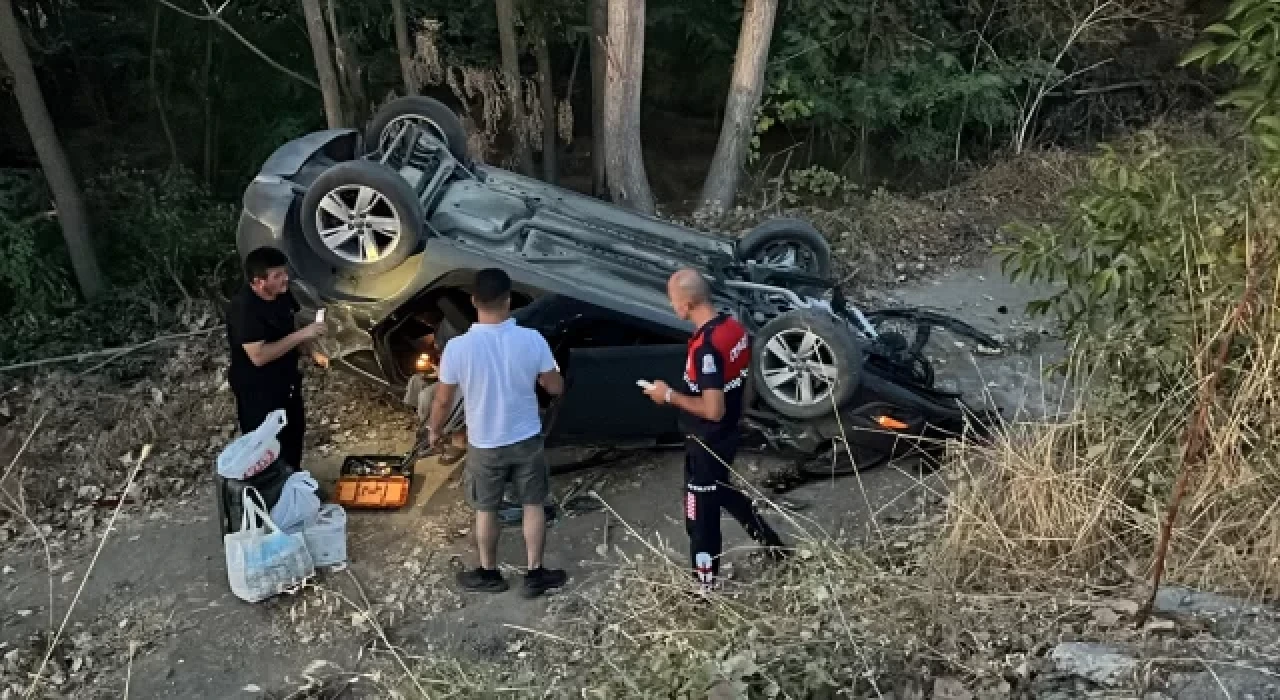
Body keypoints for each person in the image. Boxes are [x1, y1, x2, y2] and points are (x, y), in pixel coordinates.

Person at [643, 268, 788, 592]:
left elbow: (712, 409)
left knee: (700, 517)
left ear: (690, 302)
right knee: (724, 489)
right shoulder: (733, 327)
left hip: (706, 440)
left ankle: (705, 590)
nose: (672, 306)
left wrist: (668, 396)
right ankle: (773, 544)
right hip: (727, 434)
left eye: (674, 301)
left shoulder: (707, 348)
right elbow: (746, 378)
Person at [426, 268, 568, 598]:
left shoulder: (458, 348)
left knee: (485, 509)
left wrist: (435, 430)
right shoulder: (532, 340)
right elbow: (555, 386)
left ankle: (489, 573)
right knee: (533, 503)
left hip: (484, 443)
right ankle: (535, 574)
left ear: (474, 301)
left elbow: (443, 398)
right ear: (508, 300)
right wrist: (547, 379)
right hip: (526, 437)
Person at [227, 247, 328, 470]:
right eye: (277, 276)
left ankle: (294, 484)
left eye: (284, 272)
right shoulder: (244, 309)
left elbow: (291, 326)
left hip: (287, 381)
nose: (285, 279)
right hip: (258, 389)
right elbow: (259, 356)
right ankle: (270, 493)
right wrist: (303, 334)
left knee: (294, 435)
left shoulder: (283, 294)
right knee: (265, 446)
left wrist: (311, 351)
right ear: (259, 282)